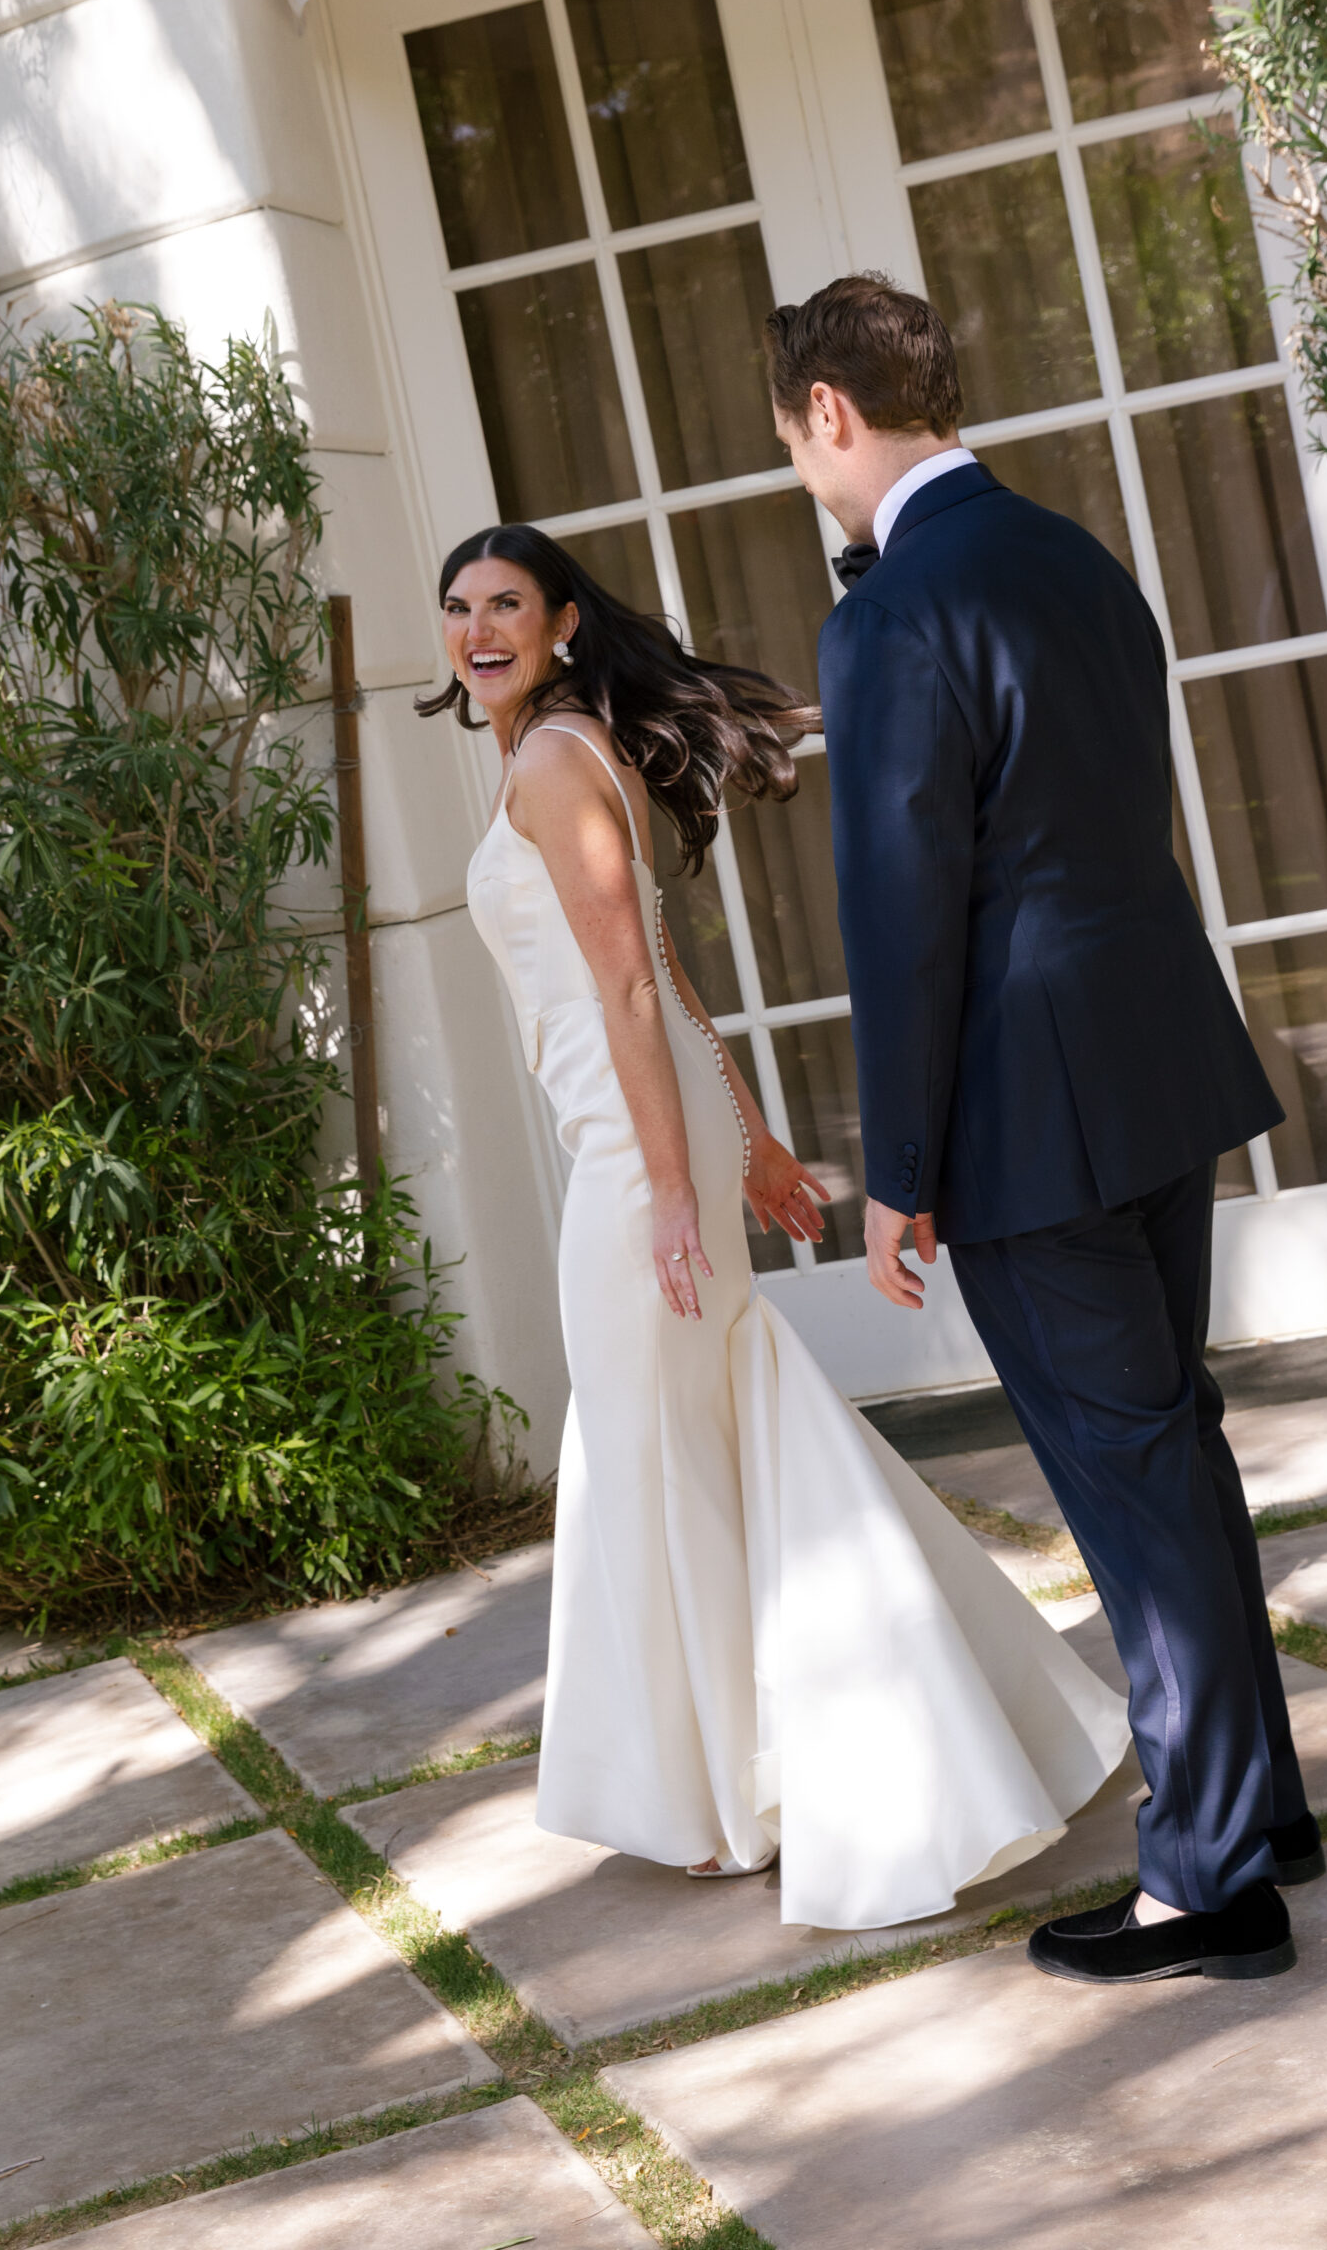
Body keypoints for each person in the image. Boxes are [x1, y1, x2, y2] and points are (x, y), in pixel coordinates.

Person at [418, 523, 1129, 1932]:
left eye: (507, 603)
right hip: (644, 1134)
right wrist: (752, 1143)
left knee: (651, 1449)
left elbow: (632, 987)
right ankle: (758, 1771)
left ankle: (728, 1803)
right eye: (457, 607)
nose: (477, 627)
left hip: (633, 1157)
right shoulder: (558, 751)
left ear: (563, 622)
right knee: (691, 1435)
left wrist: (679, 1183)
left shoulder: (558, 762)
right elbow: (664, 978)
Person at [771, 272, 1317, 1984]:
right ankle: (1259, 1805)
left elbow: (906, 913)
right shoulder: (1077, 556)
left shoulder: (882, 619)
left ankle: (1214, 1883)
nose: (804, 474)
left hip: (1028, 1116)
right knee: (1178, 1443)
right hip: (1158, 1059)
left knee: (1133, 1473)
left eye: (795, 444)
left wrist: (899, 1174)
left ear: (833, 416)